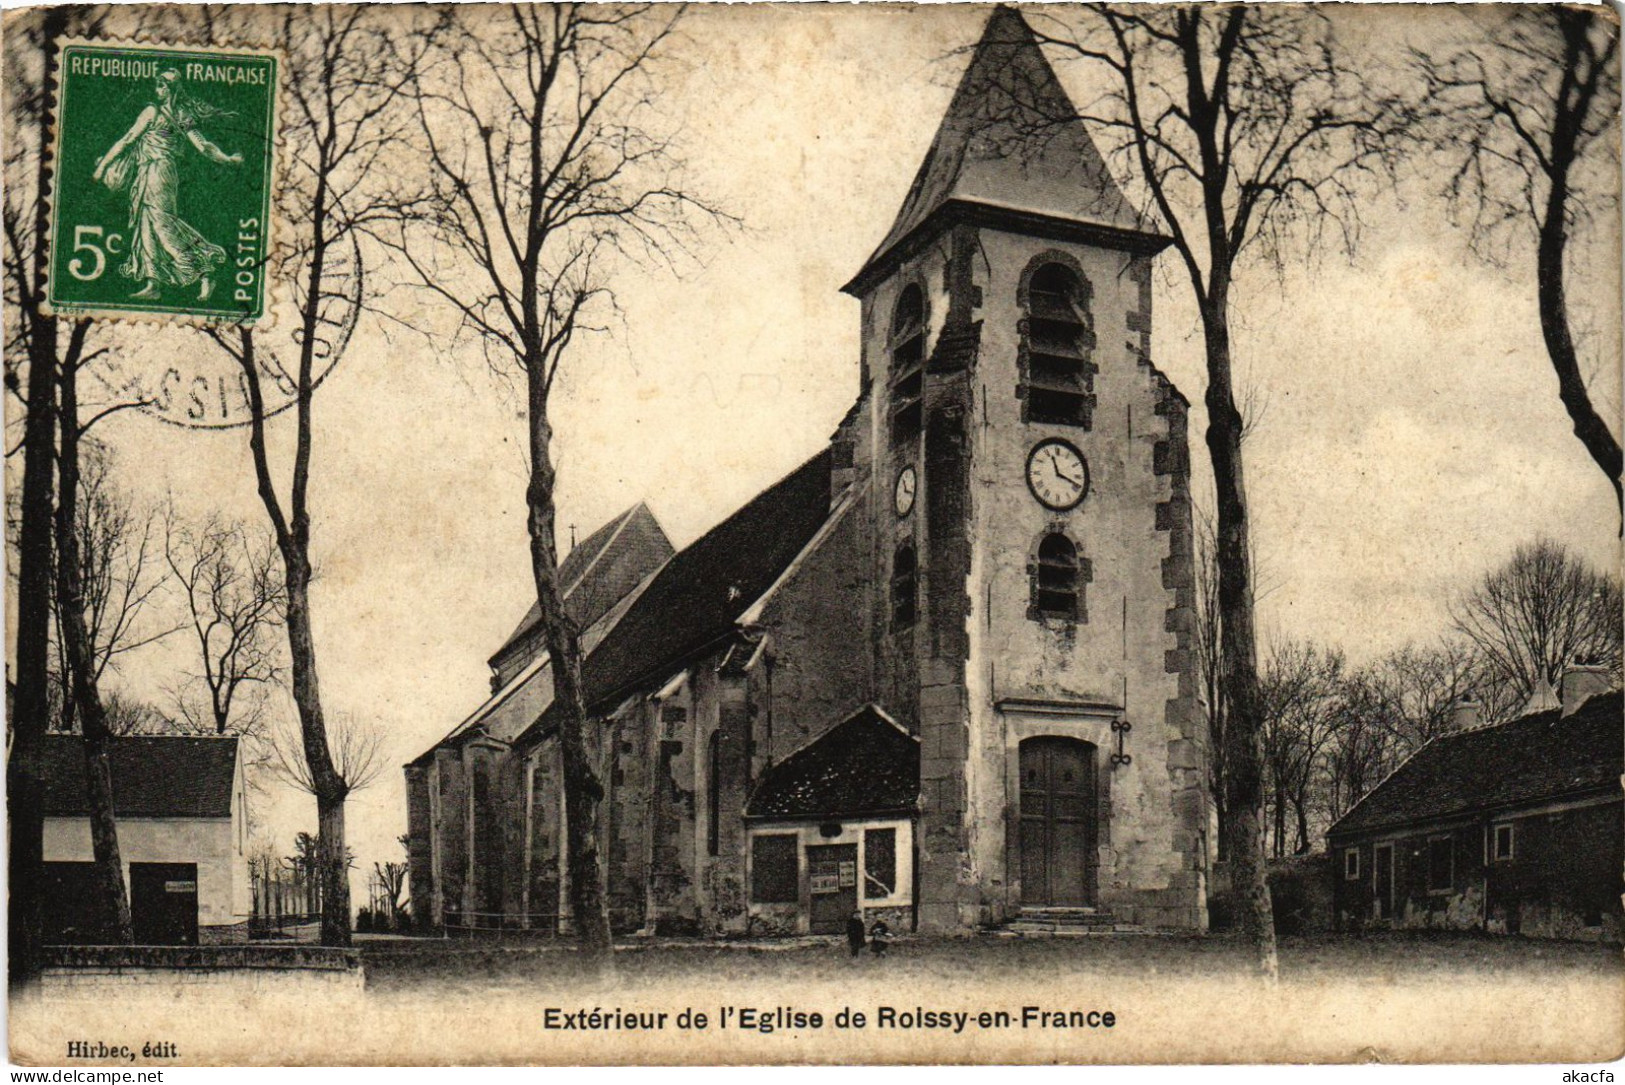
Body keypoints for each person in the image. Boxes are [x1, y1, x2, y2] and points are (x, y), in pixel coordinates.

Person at [91, 69, 241, 302]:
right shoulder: (181, 114)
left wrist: (102, 168)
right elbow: (204, 146)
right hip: (149, 172)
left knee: (162, 224)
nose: (157, 90)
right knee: (146, 225)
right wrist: (228, 158)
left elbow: (128, 139)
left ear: (170, 88)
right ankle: (154, 283)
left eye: (161, 86)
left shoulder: (155, 112)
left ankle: (205, 271)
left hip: (158, 171)